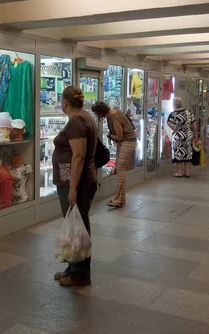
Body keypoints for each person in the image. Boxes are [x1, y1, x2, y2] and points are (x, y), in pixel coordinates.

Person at [53, 86, 97, 287]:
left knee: (78, 226)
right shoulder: (84, 116)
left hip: (77, 182)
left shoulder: (77, 120)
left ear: (64, 102)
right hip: (80, 180)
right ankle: (73, 266)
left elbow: (78, 155)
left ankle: (80, 273)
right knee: (75, 225)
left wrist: (72, 188)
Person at [91, 101, 136, 208]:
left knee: (120, 169)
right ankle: (120, 198)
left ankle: (119, 199)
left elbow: (120, 136)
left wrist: (110, 135)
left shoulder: (114, 118)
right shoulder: (112, 114)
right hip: (126, 141)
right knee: (120, 169)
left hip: (128, 142)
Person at [166, 97, 198, 177]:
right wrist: (195, 134)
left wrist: (175, 128)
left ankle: (179, 172)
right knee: (188, 154)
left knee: (178, 154)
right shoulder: (188, 112)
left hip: (178, 136)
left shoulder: (173, 114)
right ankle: (187, 172)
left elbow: (169, 123)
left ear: (174, 104)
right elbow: (194, 124)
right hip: (188, 135)